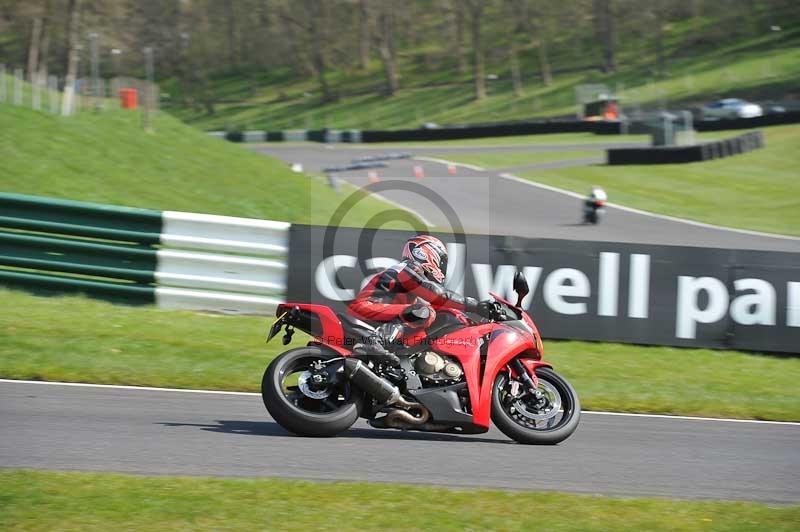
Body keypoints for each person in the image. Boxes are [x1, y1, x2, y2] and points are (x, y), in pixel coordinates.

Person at [348, 235, 499, 366]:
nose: (442, 267)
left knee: (424, 312)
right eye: (441, 261)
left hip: (377, 310)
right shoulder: (408, 268)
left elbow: (439, 304)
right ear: (425, 253)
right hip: (369, 305)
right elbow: (437, 294)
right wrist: (475, 305)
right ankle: (374, 342)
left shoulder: (408, 283)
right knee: (423, 312)